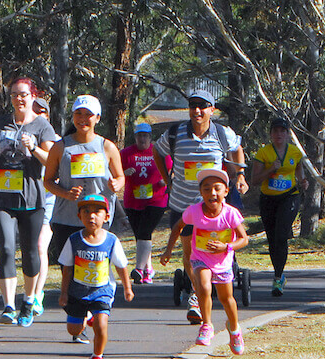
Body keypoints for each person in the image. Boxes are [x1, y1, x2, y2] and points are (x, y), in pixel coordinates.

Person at [153, 89, 248, 324]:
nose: (197, 110)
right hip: (184, 204)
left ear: (212, 110)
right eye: (193, 105)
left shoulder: (222, 134)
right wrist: (167, 179)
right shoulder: (175, 133)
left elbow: (237, 147)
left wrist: (240, 174)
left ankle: (219, 282)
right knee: (189, 253)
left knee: (220, 247)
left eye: (203, 106)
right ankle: (196, 296)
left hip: (216, 209)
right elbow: (157, 150)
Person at [0, 77, 57, 327]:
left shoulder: (42, 125)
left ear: (33, 96)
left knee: (30, 251)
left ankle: (28, 300)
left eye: (24, 94)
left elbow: (51, 162)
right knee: (5, 247)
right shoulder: (0, 123)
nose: (19, 99)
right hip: (2, 194)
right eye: (14, 94)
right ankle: (8, 306)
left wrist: (35, 148)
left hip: (32, 196)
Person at [160, 169, 248, 355]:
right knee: (204, 286)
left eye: (217, 188)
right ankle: (207, 326)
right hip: (200, 258)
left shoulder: (230, 214)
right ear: (201, 193)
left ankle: (234, 330)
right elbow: (178, 227)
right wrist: (168, 250)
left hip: (223, 261)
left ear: (226, 191)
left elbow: (244, 239)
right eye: (207, 189)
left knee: (227, 299)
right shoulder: (194, 211)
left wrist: (226, 247)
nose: (212, 193)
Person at [45, 95, 125, 268]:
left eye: (88, 114)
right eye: (78, 113)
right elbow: (48, 181)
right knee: (69, 272)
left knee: (97, 270)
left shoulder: (107, 147)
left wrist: (117, 184)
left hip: (98, 220)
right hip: (66, 219)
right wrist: (65, 193)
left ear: (97, 118)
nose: (82, 119)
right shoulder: (60, 147)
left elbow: (120, 177)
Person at [58, 194, 134, 359]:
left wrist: (127, 288)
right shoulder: (73, 240)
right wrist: (64, 293)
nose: (91, 215)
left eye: (97, 212)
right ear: (79, 216)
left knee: (101, 325)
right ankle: (87, 317)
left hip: (102, 291)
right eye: (86, 211)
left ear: (106, 216)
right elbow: (67, 268)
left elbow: (121, 266)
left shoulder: (111, 241)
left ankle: (97, 354)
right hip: (77, 291)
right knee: (74, 330)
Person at [251, 118, 308, 296]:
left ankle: (277, 277)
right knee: (273, 239)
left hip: (289, 196)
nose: (279, 134)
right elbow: (254, 181)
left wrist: (302, 180)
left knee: (281, 236)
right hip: (268, 199)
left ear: (287, 134)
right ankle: (279, 274)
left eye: (282, 131)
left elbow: (298, 168)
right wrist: (271, 169)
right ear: (271, 134)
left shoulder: (294, 152)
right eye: (275, 131)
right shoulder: (264, 153)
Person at [120, 123, 171, 284]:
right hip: (133, 200)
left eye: (145, 135)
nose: (142, 139)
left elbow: (172, 171)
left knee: (144, 231)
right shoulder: (126, 153)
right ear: (135, 137)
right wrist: (124, 173)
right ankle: (148, 270)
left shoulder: (159, 152)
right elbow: (114, 172)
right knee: (141, 236)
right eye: (139, 136)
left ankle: (138, 269)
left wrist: (166, 180)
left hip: (156, 199)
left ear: (150, 137)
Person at [31, 97, 60, 316]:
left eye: (41, 112)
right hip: (26, 200)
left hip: (50, 201)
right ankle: (28, 291)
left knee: (41, 246)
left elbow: (52, 163)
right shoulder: (17, 138)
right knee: (29, 249)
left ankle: (37, 295)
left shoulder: (58, 142)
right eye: (33, 111)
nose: (37, 115)